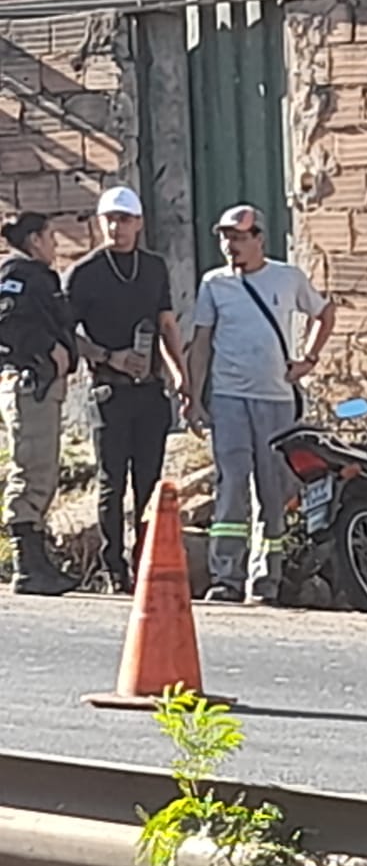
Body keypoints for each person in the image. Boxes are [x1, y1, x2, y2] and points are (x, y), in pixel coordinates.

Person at [185, 204, 336, 604]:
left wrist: (309, 359)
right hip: (229, 399)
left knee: (273, 490)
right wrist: (194, 399)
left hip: (275, 401)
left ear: (258, 239)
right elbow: (200, 343)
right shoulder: (214, 284)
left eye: (238, 237)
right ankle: (226, 577)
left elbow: (325, 313)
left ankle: (266, 579)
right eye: (225, 237)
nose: (230, 245)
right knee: (232, 484)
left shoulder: (287, 278)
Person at [64, 187, 190, 593]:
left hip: (149, 391)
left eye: (124, 219)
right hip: (109, 391)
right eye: (109, 220)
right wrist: (107, 356)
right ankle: (112, 566)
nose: (116, 228)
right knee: (111, 481)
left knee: (149, 483)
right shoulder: (85, 273)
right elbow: (66, 332)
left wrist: (181, 375)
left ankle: (146, 561)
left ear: (139, 223)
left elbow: (167, 324)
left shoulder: (152, 268)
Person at [0, 213, 79, 595]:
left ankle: (38, 559)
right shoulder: (20, 276)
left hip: (43, 387)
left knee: (42, 471)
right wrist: (47, 349)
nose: (55, 243)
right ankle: (27, 565)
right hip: (31, 385)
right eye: (50, 236)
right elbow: (9, 322)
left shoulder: (35, 277)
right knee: (30, 470)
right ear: (33, 240)